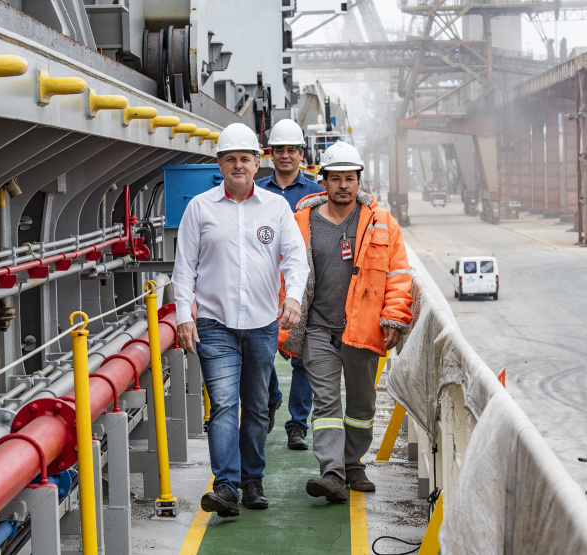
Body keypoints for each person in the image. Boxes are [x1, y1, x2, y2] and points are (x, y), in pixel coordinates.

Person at [172, 123, 309, 517]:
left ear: (256, 162)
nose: (238, 165)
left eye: (244, 159)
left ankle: (253, 481)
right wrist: (185, 317)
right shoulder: (200, 208)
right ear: (219, 164)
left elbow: (295, 259)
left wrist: (294, 298)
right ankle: (227, 486)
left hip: (263, 324)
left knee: (257, 407)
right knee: (224, 406)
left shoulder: (275, 208)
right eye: (230, 159)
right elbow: (184, 269)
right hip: (215, 325)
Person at [277, 142, 413, 503]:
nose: (343, 186)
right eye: (335, 178)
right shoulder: (302, 222)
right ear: (323, 181)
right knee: (325, 405)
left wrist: (394, 318)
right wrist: (287, 324)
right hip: (319, 330)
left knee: (362, 405)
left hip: (364, 327)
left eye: (349, 179)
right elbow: (285, 273)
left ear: (358, 181)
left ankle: (354, 464)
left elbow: (399, 275)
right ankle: (332, 473)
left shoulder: (381, 222)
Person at [254, 119, 324, 451]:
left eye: (291, 150)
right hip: (263, 284)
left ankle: (297, 425)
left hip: (304, 286)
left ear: (301, 153)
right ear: (270, 154)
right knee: (260, 353)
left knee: (303, 358)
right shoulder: (256, 191)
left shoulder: (316, 194)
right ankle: (271, 398)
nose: (285, 156)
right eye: (279, 150)